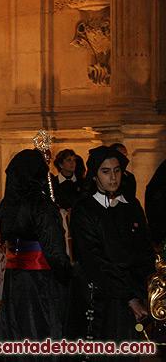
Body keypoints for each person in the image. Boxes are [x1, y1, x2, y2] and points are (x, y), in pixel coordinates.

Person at [66, 146, 154, 352]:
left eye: (116, 170)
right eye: (106, 171)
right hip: (99, 294)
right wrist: (129, 298)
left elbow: (144, 246)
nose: (113, 177)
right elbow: (94, 258)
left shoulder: (131, 204)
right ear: (95, 175)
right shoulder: (84, 208)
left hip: (132, 289)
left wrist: (144, 290)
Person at [0, 150, 71, 358]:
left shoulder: (8, 204)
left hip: (15, 277)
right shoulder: (41, 206)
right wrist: (67, 276)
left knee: (15, 326)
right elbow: (53, 248)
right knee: (39, 329)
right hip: (40, 279)